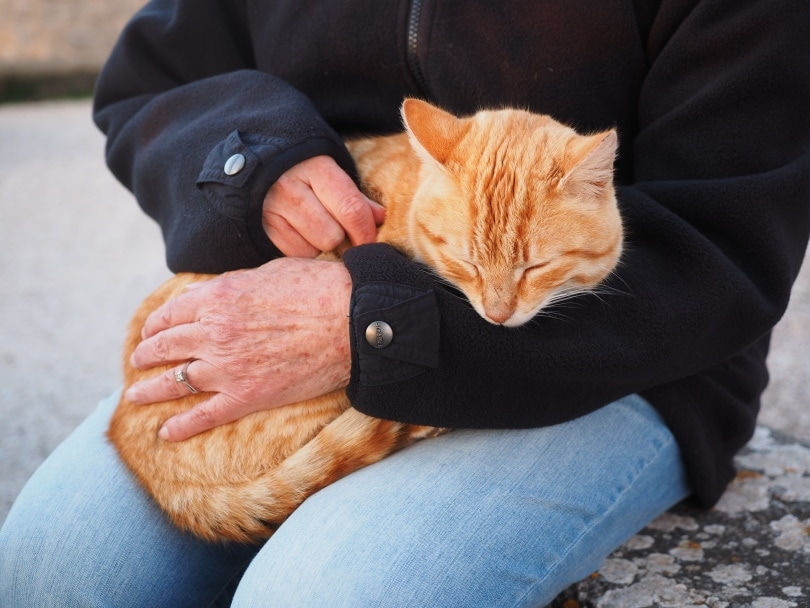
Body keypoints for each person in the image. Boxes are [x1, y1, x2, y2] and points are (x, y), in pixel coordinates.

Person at [2, 1, 808, 606]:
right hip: (332, 266)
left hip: (615, 345)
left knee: (320, 596)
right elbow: (150, 79)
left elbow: (726, 245)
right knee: (52, 565)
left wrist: (377, 329)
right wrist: (255, 158)